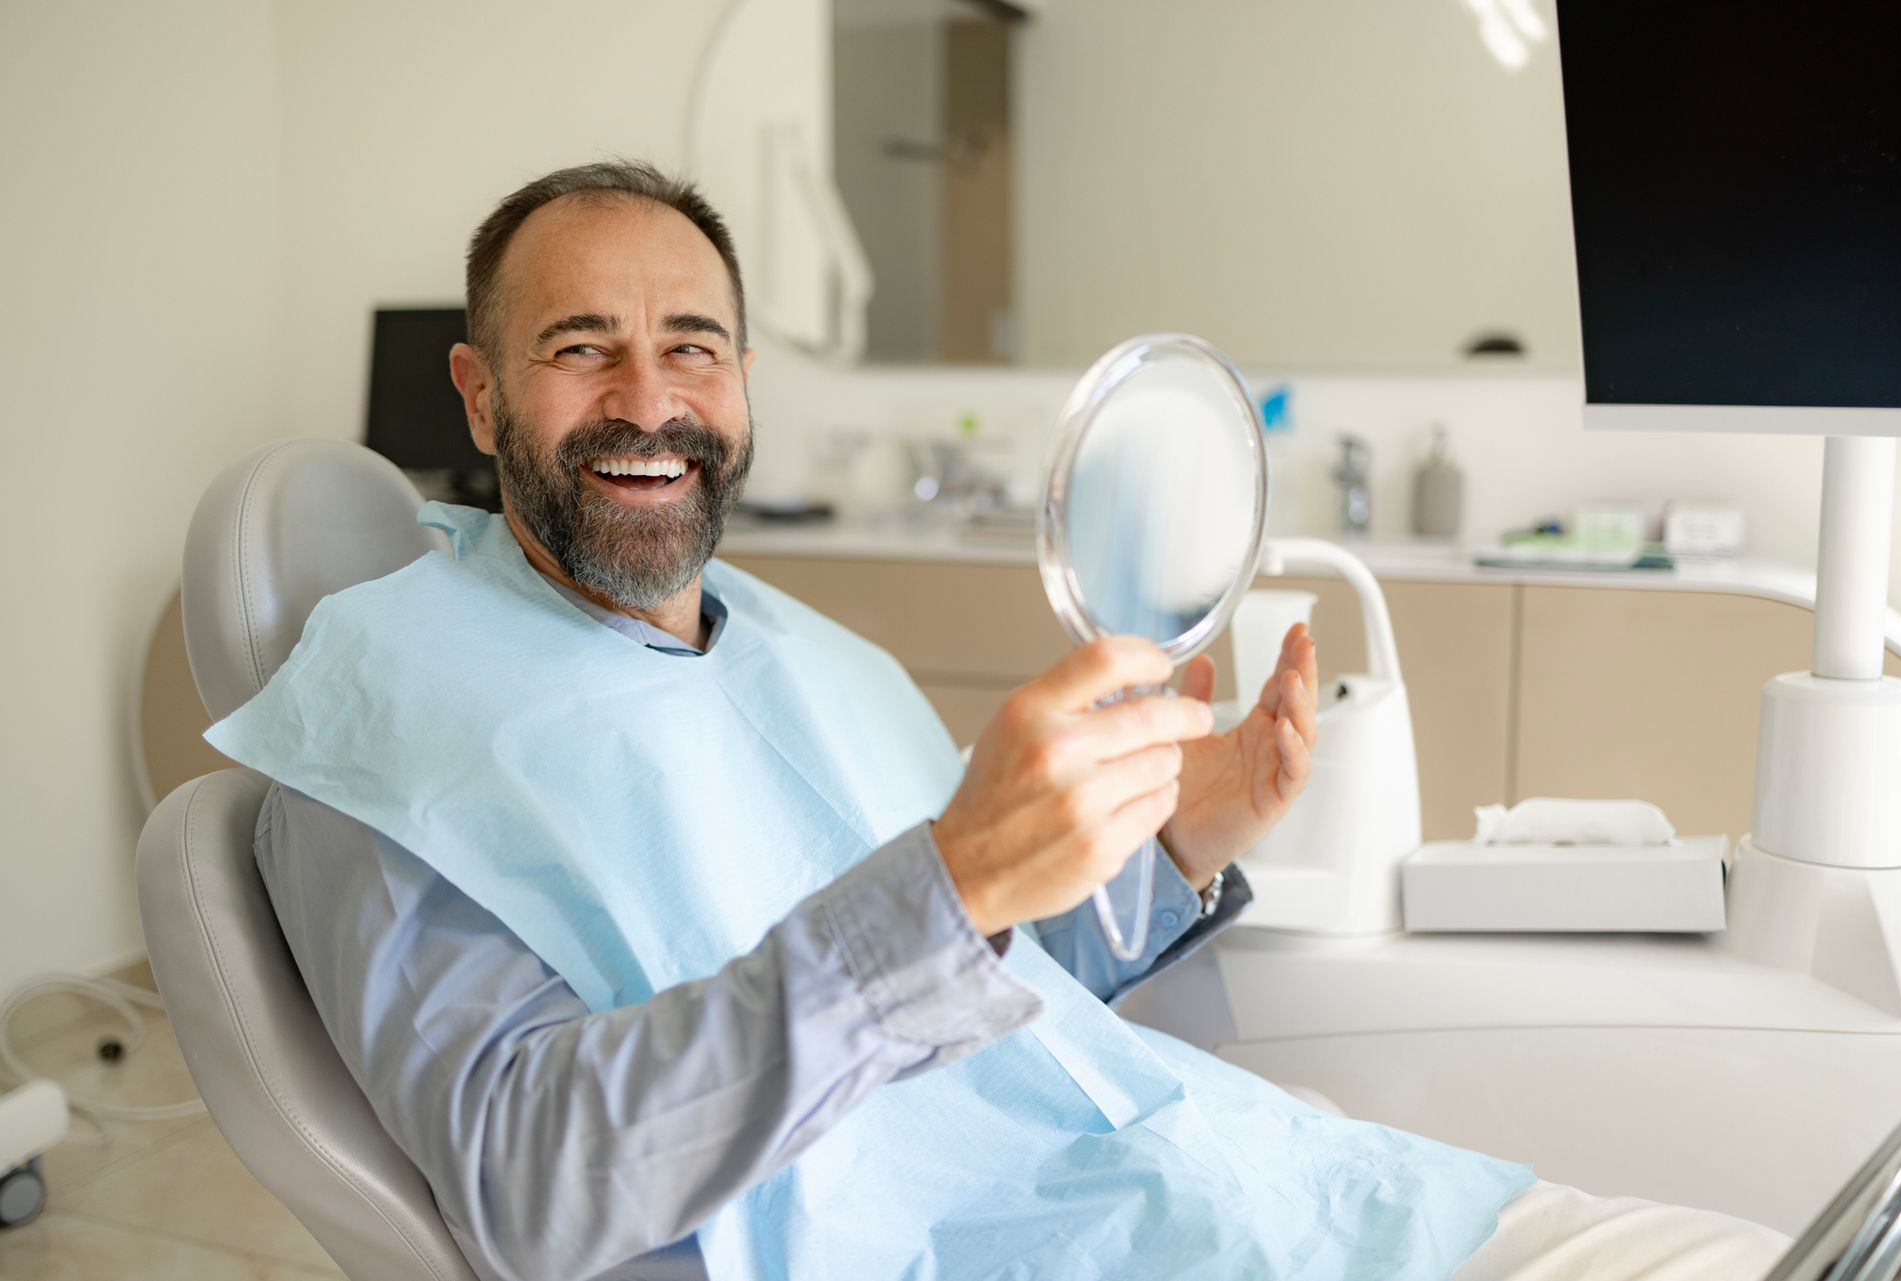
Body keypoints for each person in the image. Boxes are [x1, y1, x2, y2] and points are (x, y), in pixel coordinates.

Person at [217, 160, 1790, 1280]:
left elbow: (984, 985)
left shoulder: (797, 653)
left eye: (691, 345)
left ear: (746, 386)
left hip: (1188, 1186)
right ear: (481, 397)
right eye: (580, 349)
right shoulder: (379, 735)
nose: (649, 397)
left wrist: (1178, 838)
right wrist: (952, 878)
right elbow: (529, 1188)